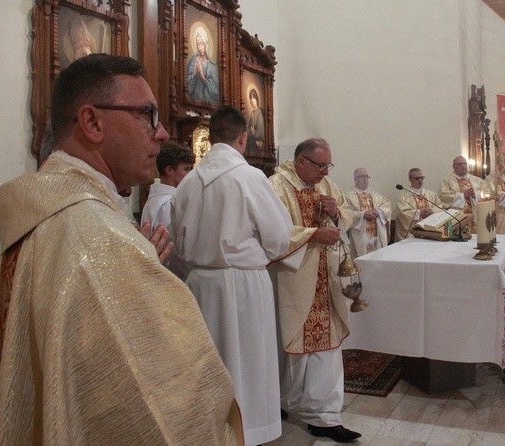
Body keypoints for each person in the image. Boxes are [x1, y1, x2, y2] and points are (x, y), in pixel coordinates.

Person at [0, 54, 242, 445]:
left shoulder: (46, 215)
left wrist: (137, 261)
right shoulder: (97, 235)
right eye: (147, 114)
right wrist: (131, 263)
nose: (163, 132)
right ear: (92, 123)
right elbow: (166, 409)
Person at [172, 105, 292, 446]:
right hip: (243, 283)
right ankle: (249, 432)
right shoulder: (250, 178)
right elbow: (280, 236)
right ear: (243, 138)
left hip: (199, 283)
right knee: (249, 362)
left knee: (210, 363)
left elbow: (178, 241)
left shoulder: (188, 182)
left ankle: (212, 433)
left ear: (210, 140)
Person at [268, 138, 362, 443]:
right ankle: (285, 401)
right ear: (301, 161)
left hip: (327, 279)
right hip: (294, 278)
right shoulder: (275, 186)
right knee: (293, 346)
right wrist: (312, 234)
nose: (325, 172)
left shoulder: (327, 185)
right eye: (320, 165)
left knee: (328, 347)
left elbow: (347, 216)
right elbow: (272, 232)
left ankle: (324, 415)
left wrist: (336, 213)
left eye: (328, 165)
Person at [141, 141, 195, 233]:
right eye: (186, 169)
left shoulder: (155, 198)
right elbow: (172, 242)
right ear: (169, 170)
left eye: (191, 169)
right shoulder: (168, 204)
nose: (190, 175)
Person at [345, 167, 391, 256]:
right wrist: (363, 215)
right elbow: (346, 214)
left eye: (366, 176)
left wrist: (379, 212)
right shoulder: (349, 196)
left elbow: (387, 207)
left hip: (376, 233)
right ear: (355, 179)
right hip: (359, 235)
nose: (365, 179)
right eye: (361, 176)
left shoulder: (376, 195)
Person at [438, 155, 492, 229]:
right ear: (453, 167)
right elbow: (443, 196)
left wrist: (476, 194)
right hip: (457, 217)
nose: (463, 166)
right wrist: (462, 195)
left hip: (476, 216)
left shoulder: (477, 180)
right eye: (459, 164)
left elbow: (488, 193)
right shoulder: (446, 181)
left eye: (464, 164)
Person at [395, 168, 442, 241]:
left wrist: (432, 211)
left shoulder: (431, 194)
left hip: (431, 231)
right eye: (417, 178)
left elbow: (440, 206)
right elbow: (403, 213)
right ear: (410, 179)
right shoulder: (403, 196)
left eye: (422, 178)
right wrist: (420, 213)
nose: (420, 180)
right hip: (412, 234)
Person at [186, 26, 220, 104]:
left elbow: (215, 92)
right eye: (198, 44)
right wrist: (194, 74)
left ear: (206, 44)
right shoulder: (194, 61)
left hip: (208, 104)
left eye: (201, 44)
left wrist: (203, 77)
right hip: (194, 102)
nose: (199, 47)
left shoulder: (212, 65)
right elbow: (188, 89)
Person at [246, 88, 265, 153]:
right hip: (251, 138)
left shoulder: (259, 113)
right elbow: (248, 127)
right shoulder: (252, 113)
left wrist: (254, 133)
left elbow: (260, 129)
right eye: (250, 98)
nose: (252, 100)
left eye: (253, 98)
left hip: (258, 140)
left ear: (257, 99)